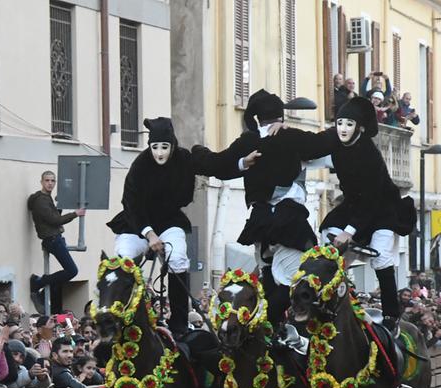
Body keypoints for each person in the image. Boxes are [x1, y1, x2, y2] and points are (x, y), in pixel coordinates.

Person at [107, 117, 251, 336]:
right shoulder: (140, 165)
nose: (159, 153)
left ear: (172, 145)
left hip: (169, 220)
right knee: (123, 257)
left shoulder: (184, 158)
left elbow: (213, 164)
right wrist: (149, 233)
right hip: (136, 222)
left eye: (164, 147)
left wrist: (241, 163)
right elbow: (131, 203)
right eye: (155, 147)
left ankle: (179, 322)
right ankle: (119, 316)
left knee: (178, 258)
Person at [224, 89, 334, 327]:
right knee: (296, 280)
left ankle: (268, 326)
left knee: (269, 277)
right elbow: (328, 145)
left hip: (261, 222)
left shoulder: (248, 142)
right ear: (280, 117)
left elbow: (218, 163)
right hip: (288, 221)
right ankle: (272, 323)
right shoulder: (291, 139)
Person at [318, 97, 417, 333]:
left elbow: (371, 200)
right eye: (339, 123)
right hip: (355, 206)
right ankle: (334, 300)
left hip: (382, 209)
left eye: (349, 124)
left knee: (381, 257)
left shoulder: (369, 155)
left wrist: (350, 232)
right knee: (329, 236)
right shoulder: (338, 147)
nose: (342, 129)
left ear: (359, 127)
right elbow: (309, 148)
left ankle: (391, 316)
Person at [28, 171, 86, 315]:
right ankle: (39, 282)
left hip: (55, 238)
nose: (50, 183)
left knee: (66, 274)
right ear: (41, 182)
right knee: (72, 271)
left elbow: (54, 217)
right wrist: (75, 214)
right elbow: (55, 220)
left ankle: (43, 286)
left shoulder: (46, 198)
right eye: (47, 180)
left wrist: (59, 205)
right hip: (52, 240)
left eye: (53, 181)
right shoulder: (41, 200)